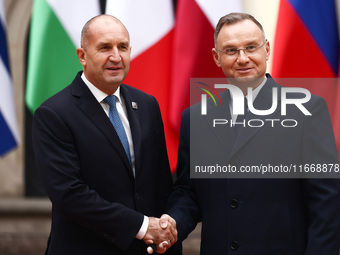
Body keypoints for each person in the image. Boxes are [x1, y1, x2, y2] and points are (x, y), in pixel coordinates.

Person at [166, 12, 340, 254]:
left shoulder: (307, 110)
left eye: (251, 47)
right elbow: (188, 192)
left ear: (267, 50)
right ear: (216, 58)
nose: (243, 58)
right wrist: (172, 223)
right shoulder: (195, 118)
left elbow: (327, 202)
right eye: (231, 50)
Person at [32, 14, 180, 255]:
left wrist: (166, 235)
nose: (116, 56)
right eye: (104, 47)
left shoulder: (147, 105)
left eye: (122, 47)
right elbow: (70, 195)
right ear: (82, 55)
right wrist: (143, 227)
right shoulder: (53, 114)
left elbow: (160, 184)